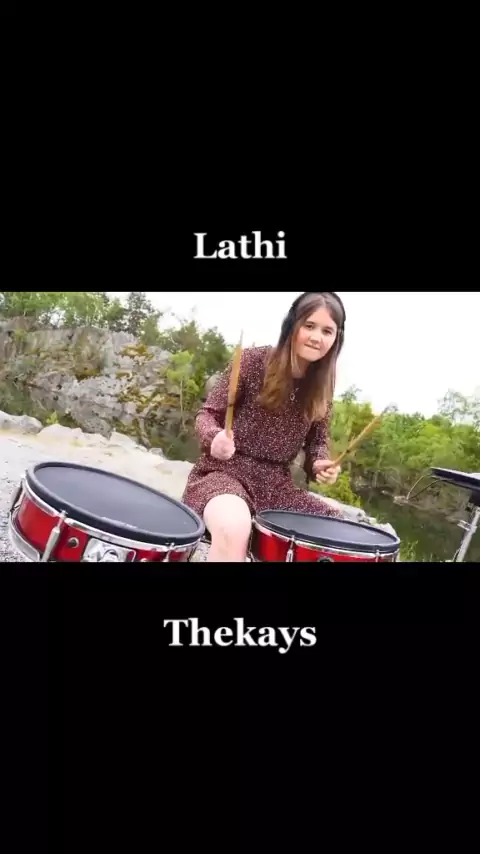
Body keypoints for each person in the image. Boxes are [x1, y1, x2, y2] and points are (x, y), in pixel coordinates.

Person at [182, 292, 346, 561]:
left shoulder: (322, 388)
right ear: (292, 325)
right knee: (233, 528)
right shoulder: (251, 361)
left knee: (335, 528)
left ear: (336, 338)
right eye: (309, 326)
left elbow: (317, 443)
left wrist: (320, 464)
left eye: (327, 331)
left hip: (276, 487)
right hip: (224, 473)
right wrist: (214, 438)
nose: (317, 337)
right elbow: (207, 414)